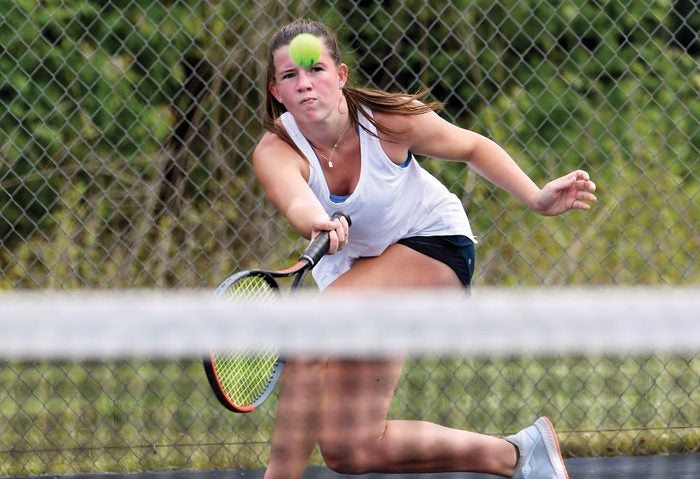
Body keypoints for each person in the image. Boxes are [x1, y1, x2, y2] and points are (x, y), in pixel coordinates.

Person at [252, 18, 596, 479]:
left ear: (341, 75)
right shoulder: (276, 149)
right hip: (364, 274)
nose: (305, 84)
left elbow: (472, 147)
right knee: (351, 448)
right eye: (290, 76)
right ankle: (519, 455)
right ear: (277, 91)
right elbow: (296, 200)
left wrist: (536, 197)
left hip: (434, 244)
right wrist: (315, 219)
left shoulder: (388, 122)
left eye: (315, 69)